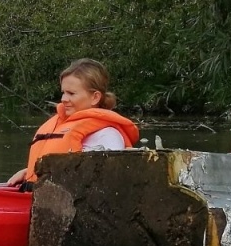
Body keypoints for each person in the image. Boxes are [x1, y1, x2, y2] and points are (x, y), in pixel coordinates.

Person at [8, 58, 140, 186]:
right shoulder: (60, 124)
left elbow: (104, 183)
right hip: (38, 196)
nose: (64, 99)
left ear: (95, 97)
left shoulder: (108, 136)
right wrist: (28, 172)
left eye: (71, 93)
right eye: (63, 92)